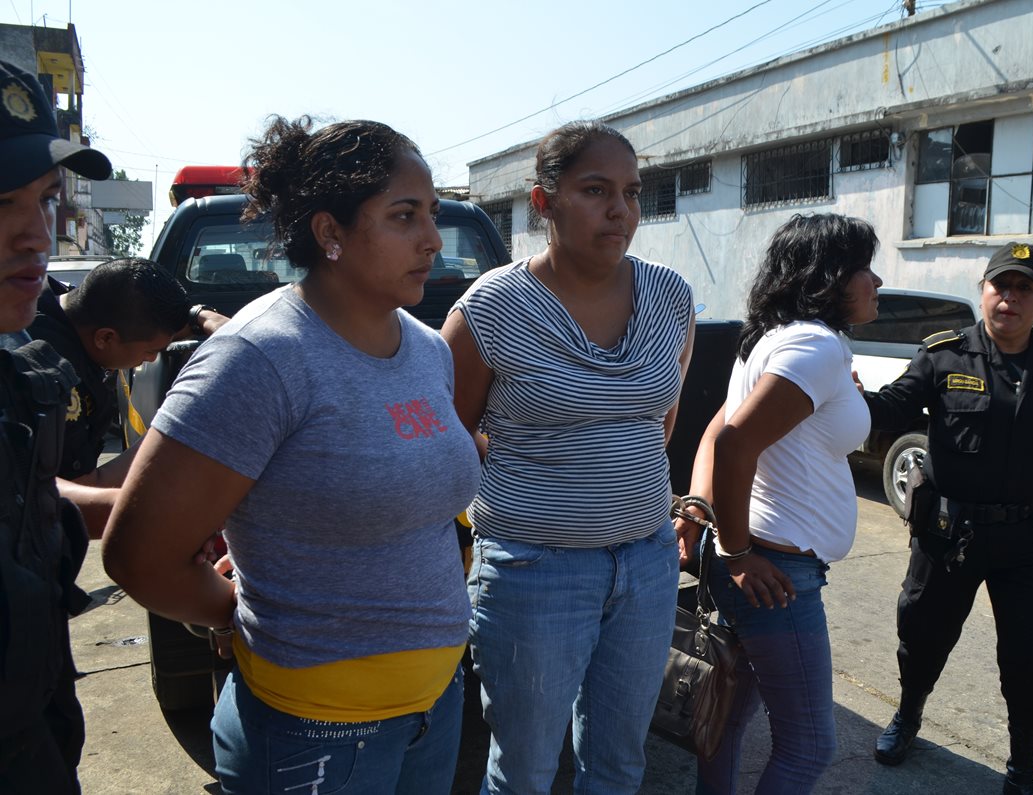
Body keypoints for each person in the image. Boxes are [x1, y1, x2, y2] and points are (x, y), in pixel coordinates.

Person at [101, 116, 481, 794]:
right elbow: (138, 553)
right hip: (317, 727)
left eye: (433, 213)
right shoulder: (260, 358)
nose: (432, 239)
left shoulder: (426, 349)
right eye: (403, 216)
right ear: (329, 232)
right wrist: (232, 612)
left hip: (434, 705)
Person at [442, 120, 695, 794]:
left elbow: (655, 424)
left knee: (619, 761)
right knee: (524, 767)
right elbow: (451, 439)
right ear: (542, 201)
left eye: (633, 192)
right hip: (531, 573)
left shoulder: (671, 296)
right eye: (595, 190)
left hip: (645, 563)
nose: (621, 210)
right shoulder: (490, 309)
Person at [864, 242, 1033, 795]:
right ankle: (907, 717)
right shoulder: (943, 355)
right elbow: (892, 405)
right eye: (999, 285)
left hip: (1028, 539)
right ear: (983, 291)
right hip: (949, 535)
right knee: (923, 636)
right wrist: (845, 397)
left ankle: (1022, 767)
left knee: (1031, 658)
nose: (1009, 297)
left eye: (1023, 288)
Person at [676, 213, 883, 794]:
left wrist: (697, 513)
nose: (876, 281)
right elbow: (736, 441)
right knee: (811, 744)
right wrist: (737, 552)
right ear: (829, 276)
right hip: (774, 572)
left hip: (760, 564)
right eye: (863, 267)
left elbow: (720, 430)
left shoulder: (774, 340)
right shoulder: (813, 346)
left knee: (726, 717)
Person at [0, 58, 113, 794]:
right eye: (0, 203)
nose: (35, 235)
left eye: (43, 200)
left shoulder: (15, 368)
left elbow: (30, 515)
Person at [29, 257, 226, 483]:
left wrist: (201, 315)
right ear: (105, 337)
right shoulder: (50, 377)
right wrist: (173, 433)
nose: (151, 359)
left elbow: (155, 325)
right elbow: (83, 492)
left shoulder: (65, 305)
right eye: (150, 351)